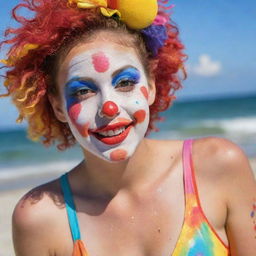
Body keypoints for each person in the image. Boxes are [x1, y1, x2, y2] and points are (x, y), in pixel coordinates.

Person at [1, 0, 255, 255]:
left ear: (152, 86)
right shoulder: (38, 219)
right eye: (83, 90)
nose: (109, 107)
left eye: (124, 82)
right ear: (57, 107)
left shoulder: (218, 166)